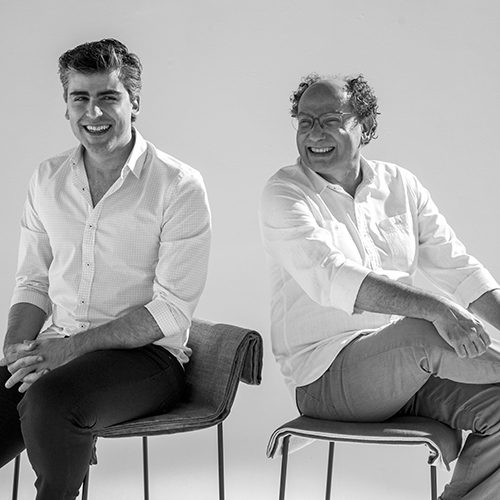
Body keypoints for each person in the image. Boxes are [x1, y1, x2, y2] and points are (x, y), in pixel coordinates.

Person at [260, 73, 500, 499]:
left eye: (330, 120)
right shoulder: (285, 193)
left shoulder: (400, 185)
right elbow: (331, 276)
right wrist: (438, 309)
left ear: (365, 126)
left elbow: (459, 269)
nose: (314, 134)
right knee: (424, 326)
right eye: (305, 122)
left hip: (412, 373)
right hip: (327, 378)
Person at [0, 38, 211, 500]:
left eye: (108, 97)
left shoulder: (177, 185)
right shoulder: (47, 179)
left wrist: (68, 353)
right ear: (66, 105)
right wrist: (17, 349)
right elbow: (33, 281)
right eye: (80, 98)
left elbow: (171, 310)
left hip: (147, 360)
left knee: (52, 402)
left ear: (134, 103)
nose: (93, 112)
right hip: (56, 348)